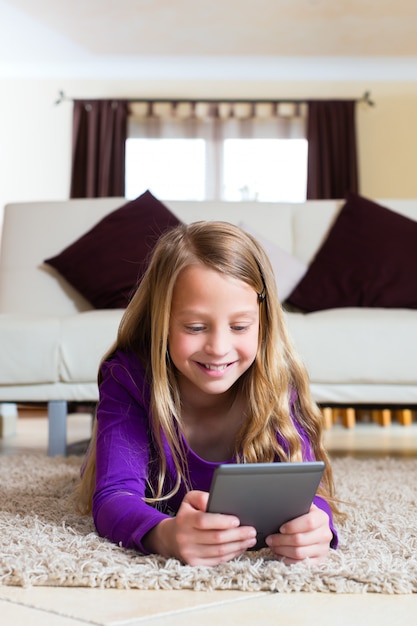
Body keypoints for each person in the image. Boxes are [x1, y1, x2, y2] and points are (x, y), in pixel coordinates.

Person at [78, 221, 340, 566]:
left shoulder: (277, 378)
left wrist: (319, 525)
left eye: (240, 326)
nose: (218, 348)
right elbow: (114, 496)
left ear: (263, 323)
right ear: (162, 321)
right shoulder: (128, 377)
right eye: (195, 327)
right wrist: (166, 536)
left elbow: (307, 489)